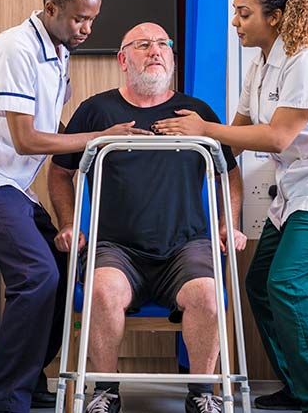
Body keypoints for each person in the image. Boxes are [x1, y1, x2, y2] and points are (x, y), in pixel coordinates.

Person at [153, 0, 308, 413]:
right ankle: (300, 386)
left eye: (245, 14)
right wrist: (175, 142)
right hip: (297, 188)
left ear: (275, 17)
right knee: (259, 285)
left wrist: (202, 127)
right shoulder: (259, 65)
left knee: (289, 286)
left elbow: (277, 137)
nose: (236, 23)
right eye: (234, 14)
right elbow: (235, 134)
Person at [0, 0, 151, 413]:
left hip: (12, 184)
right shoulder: (15, 49)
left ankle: (31, 377)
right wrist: (98, 137)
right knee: (36, 277)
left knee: (61, 264)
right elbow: (27, 139)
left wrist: (97, 146)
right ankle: (1, 399)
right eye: (80, 19)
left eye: (92, 20)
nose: (86, 29)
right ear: (51, 7)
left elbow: (48, 126)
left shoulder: (57, 52)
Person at [48, 22, 247, 413]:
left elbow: (231, 173)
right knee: (101, 292)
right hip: (116, 248)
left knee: (208, 295)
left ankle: (204, 391)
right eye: (143, 45)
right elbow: (59, 171)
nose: (155, 51)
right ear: (124, 59)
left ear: (172, 57)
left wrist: (230, 223)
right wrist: (70, 223)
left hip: (185, 247)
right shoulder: (96, 110)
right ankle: (105, 391)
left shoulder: (197, 113)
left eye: (162, 45)